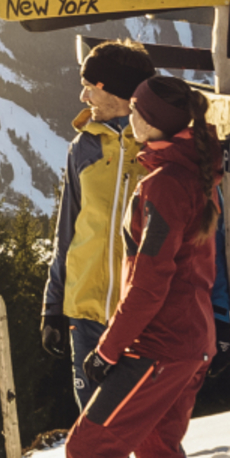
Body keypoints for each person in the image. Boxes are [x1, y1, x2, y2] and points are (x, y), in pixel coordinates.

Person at [61, 73, 224, 458]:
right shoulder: (194, 173)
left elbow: (149, 282)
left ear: (152, 122)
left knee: (89, 450)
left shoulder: (159, 187)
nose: (129, 115)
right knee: (157, 453)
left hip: (159, 345)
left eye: (135, 109)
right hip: (192, 342)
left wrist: (108, 349)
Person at [40, 39, 154, 413]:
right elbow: (67, 231)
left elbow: (203, 236)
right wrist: (53, 306)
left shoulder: (157, 148)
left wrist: (217, 313)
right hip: (85, 313)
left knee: (149, 432)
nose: (83, 94)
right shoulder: (84, 146)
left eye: (91, 85)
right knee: (95, 431)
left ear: (115, 90)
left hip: (142, 316)